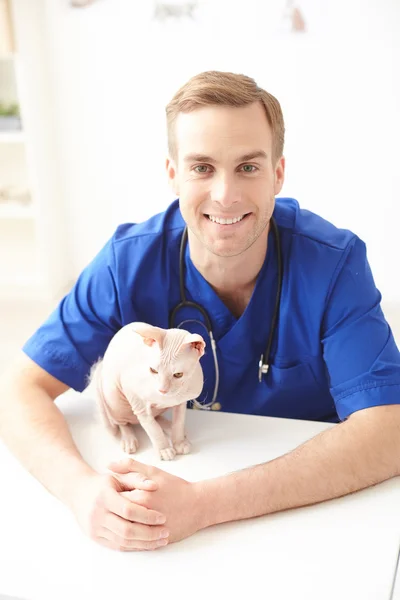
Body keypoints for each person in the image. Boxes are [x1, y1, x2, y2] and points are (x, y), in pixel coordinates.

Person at [1, 70, 400, 552]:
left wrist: (203, 505)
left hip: (300, 520)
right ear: (173, 174)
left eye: (248, 167)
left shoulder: (333, 263)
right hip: (170, 503)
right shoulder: (128, 262)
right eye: (202, 168)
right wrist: (79, 490)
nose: (225, 194)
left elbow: (388, 430)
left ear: (278, 173)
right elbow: (19, 390)